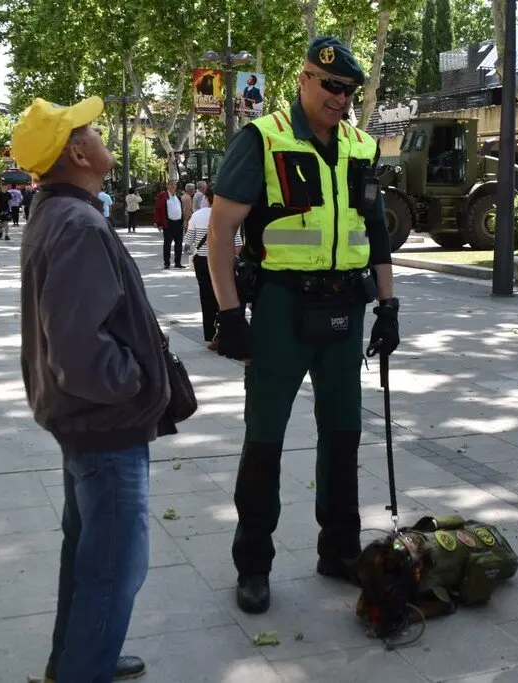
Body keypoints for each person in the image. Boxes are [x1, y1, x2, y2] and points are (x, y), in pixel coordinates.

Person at [205, 36, 399, 615]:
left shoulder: (362, 146)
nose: (341, 98)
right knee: (265, 439)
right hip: (283, 310)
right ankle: (254, 564)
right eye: (331, 85)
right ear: (304, 79)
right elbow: (219, 235)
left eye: (350, 90)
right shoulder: (262, 139)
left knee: (344, 434)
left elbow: (378, 232)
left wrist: (388, 306)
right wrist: (230, 315)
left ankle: (339, 550)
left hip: (347, 307)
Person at [12, 95, 169, 683]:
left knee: (88, 553)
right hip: (104, 423)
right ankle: (84, 669)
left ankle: (78, 660)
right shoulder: (76, 222)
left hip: (86, 422)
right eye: (94, 131)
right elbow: (81, 348)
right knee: (114, 567)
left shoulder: (62, 213)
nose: (104, 138)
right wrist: (131, 378)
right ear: (78, 153)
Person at [183, 184, 242, 348]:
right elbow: (238, 244)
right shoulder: (229, 216)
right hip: (223, 261)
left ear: (206, 198)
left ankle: (211, 334)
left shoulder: (197, 216)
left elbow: (188, 240)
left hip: (202, 260)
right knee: (224, 298)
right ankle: (224, 332)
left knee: (206, 297)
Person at [154, 181, 187, 268]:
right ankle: (167, 263)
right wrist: (159, 223)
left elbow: (181, 209)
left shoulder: (178, 196)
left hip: (178, 223)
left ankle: (177, 262)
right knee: (167, 244)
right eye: (171, 184)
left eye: (174, 185)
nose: (173, 186)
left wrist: (183, 220)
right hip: (168, 223)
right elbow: (158, 209)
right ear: (167, 186)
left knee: (179, 243)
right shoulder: (163, 196)